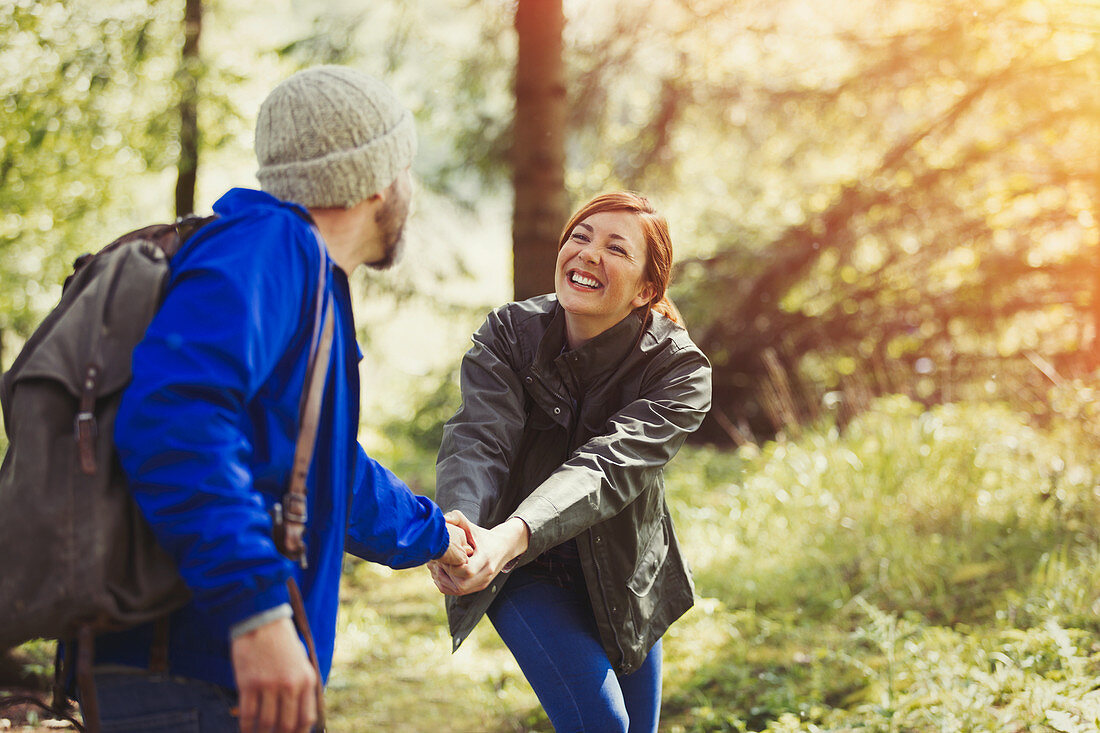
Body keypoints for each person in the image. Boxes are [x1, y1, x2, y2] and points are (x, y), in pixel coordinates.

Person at [89, 66, 470, 733]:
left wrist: (436, 535)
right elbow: (172, 416)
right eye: (405, 163)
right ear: (377, 179)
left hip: (211, 680)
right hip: (192, 677)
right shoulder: (274, 245)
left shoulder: (299, 273)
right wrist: (258, 613)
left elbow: (329, 471)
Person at [428, 192, 712, 732]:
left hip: (627, 573)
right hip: (522, 569)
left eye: (615, 248)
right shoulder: (510, 335)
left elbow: (607, 467)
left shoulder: (678, 368)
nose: (587, 253)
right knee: (601, 725)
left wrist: (511, 533)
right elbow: (478, 440)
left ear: (646, 290)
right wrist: (459, 530)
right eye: (580, 236)